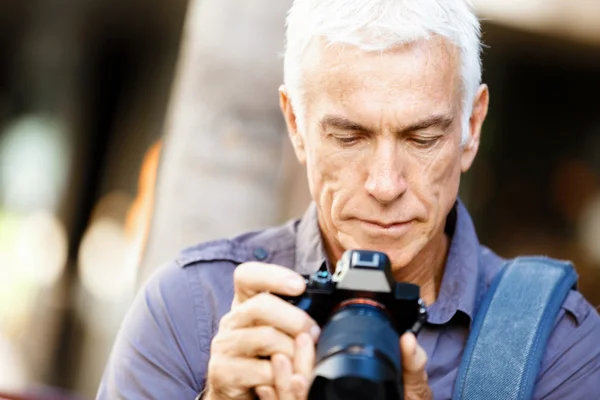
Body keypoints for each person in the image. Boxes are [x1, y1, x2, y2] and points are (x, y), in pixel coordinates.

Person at [97, 0, 600, 399]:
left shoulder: (555, 343)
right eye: (349, 136)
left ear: (471, 129)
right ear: (295, 125)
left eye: (421, 139)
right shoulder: (191, 311)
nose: (384, 184)